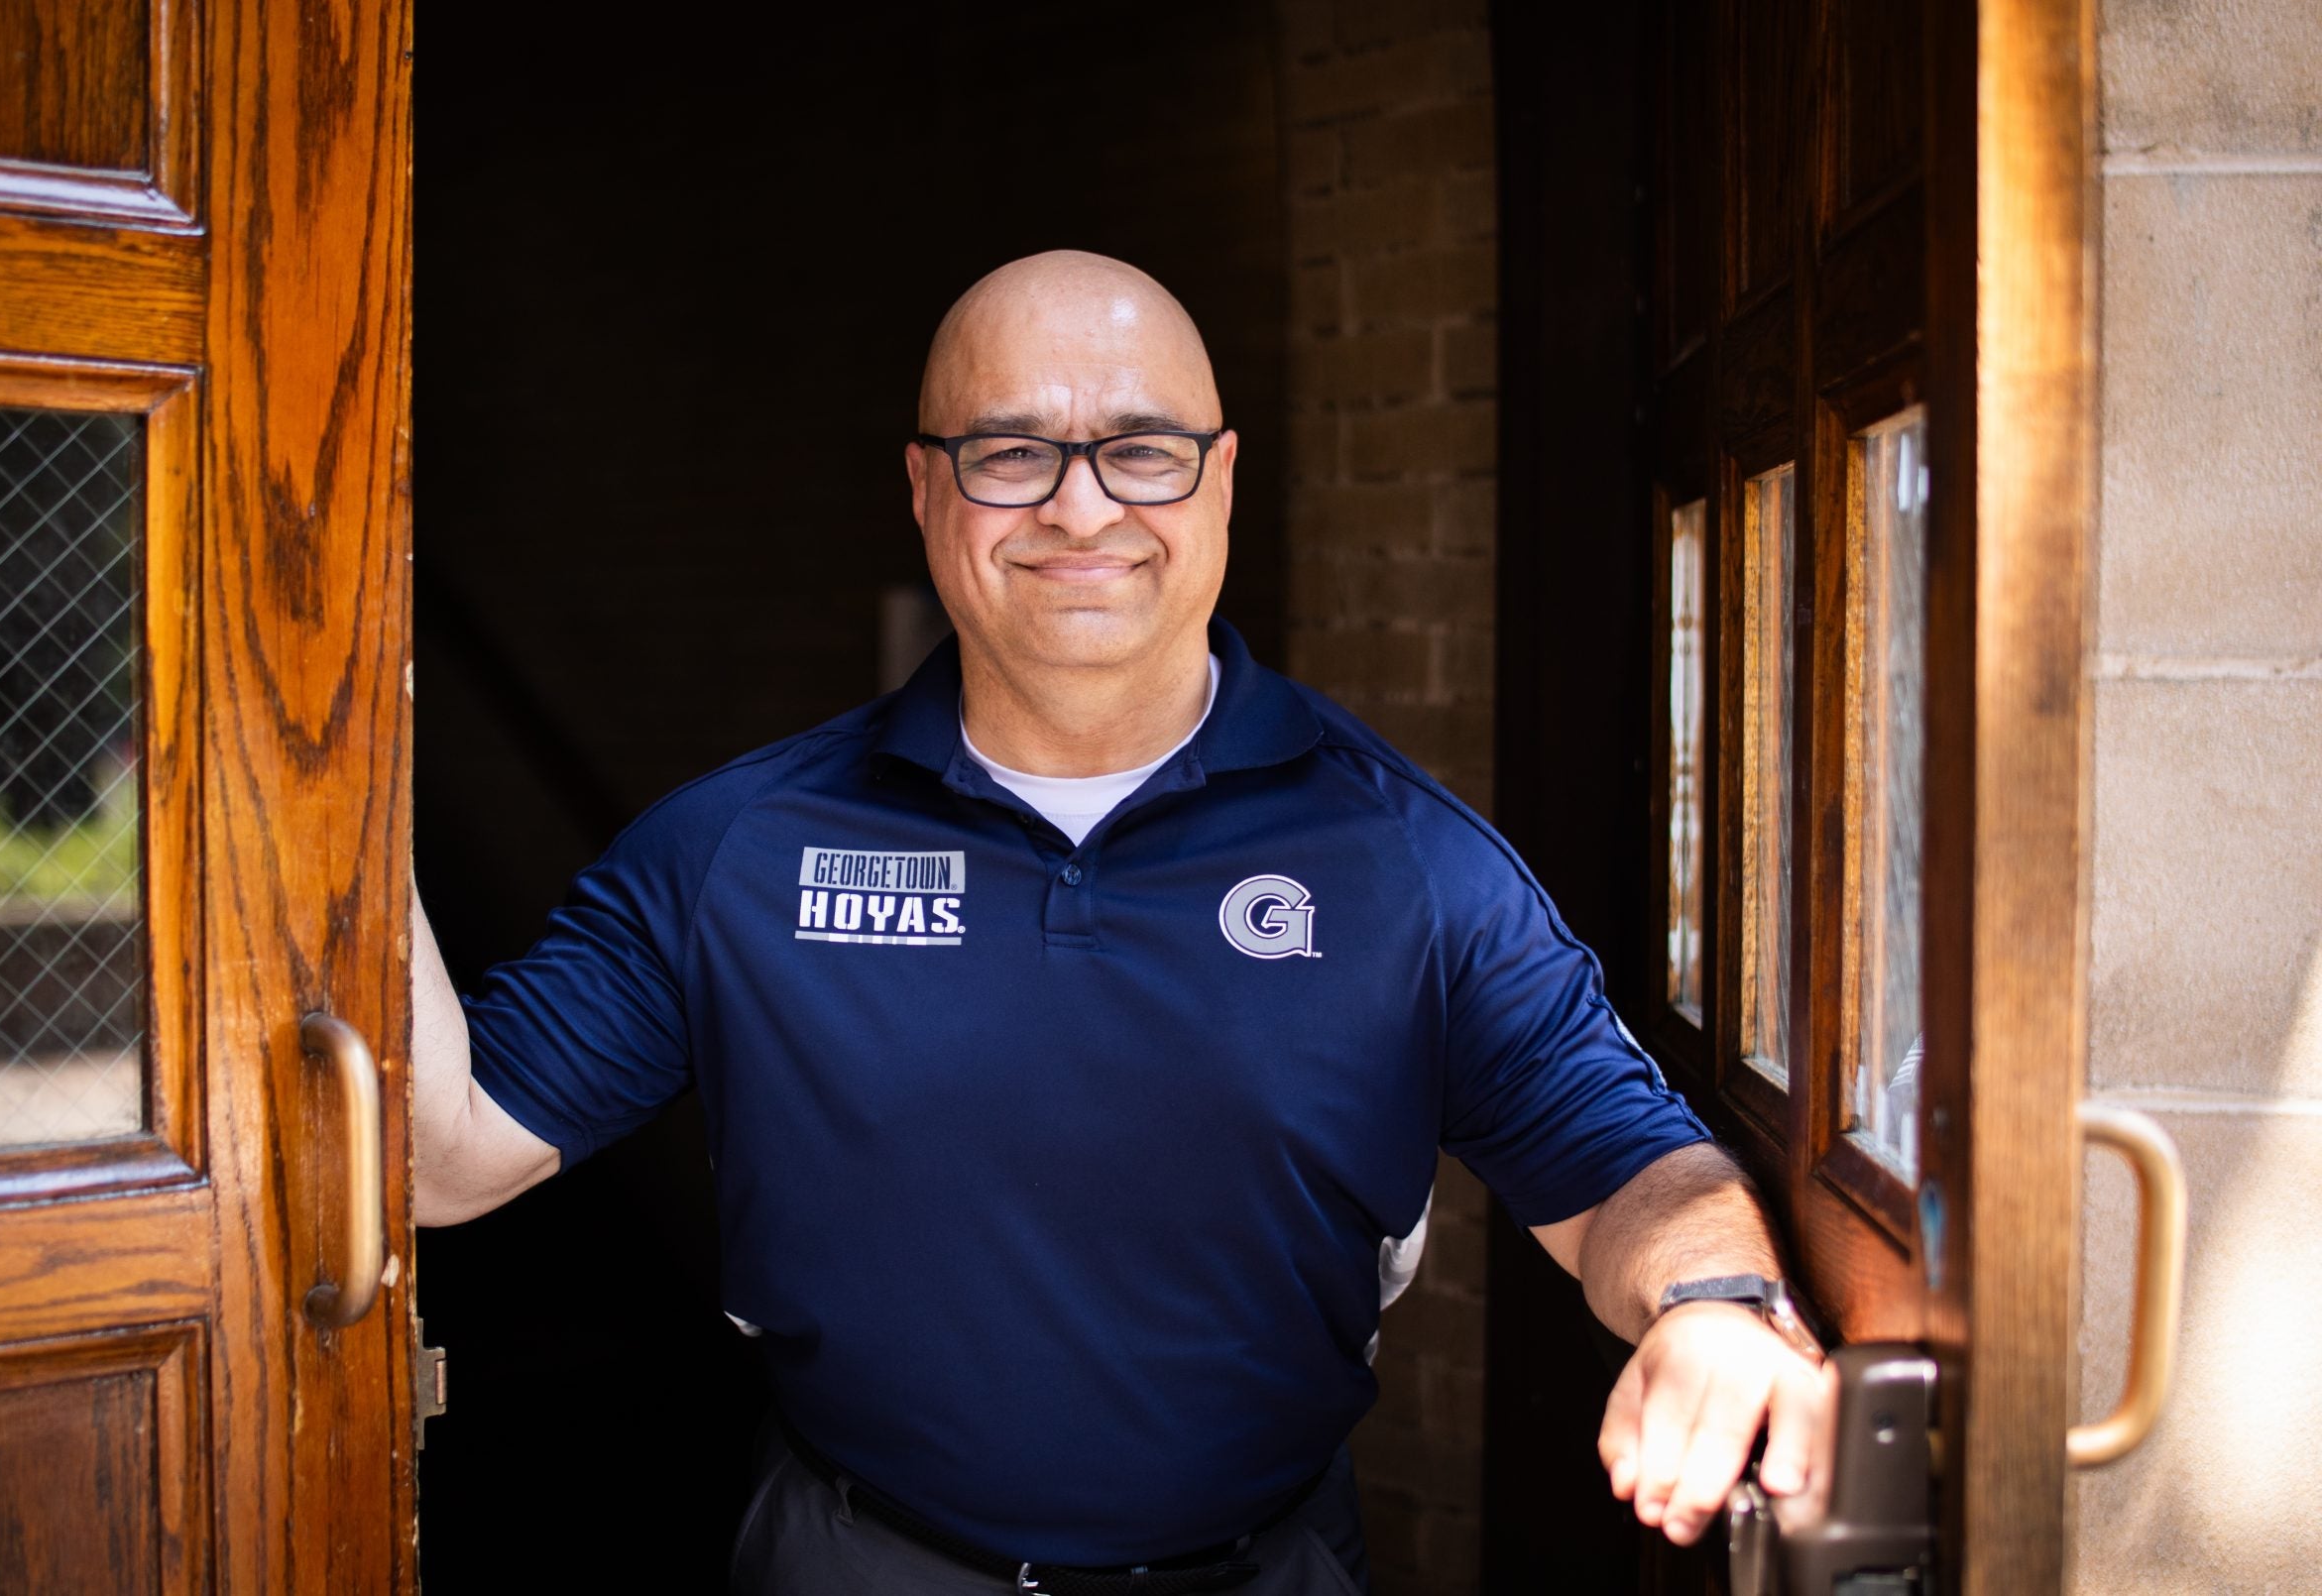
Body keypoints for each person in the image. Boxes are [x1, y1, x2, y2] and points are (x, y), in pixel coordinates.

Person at [411, 250, 1831, 1594]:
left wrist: (1713, 1300)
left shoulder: (1407, 866)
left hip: (1262, 1567)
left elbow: (1635, 1168)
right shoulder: (733, 851)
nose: (1081, 510)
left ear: (1221, 483)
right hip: (854, 1557)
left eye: (1141, 450)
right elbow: (449, 1155)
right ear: (924, 488)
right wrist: (331, 761)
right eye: (1011, 451)